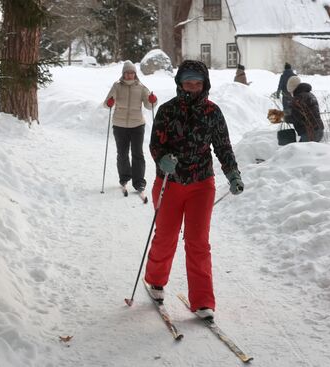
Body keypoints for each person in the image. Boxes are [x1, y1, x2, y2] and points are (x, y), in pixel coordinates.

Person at [144, 60, 244, 320]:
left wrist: (232, 173)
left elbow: (223, 146)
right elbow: (156, 144)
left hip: (201, 184)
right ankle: (155, 280)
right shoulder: (167, 111)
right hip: (169, 182)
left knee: (198, 242)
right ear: (179, 83)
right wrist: (162, 158)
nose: (192, 87)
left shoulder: (213, 112)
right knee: (166, 236)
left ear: (205, 85)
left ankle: (202, 301)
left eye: (197, 83)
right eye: (188, 82)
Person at [104, 60, 157, 192]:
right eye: (127, 73)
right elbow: (106, 104)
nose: (129, 75)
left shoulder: (141, 87)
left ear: (135, 74)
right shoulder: (116, 86)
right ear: (123, 73)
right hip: (119, 124)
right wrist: (110, 102)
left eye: (132, 73)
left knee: (137, 153)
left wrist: (153, 100)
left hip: (137, 125)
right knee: (122, 153)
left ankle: (139, 182)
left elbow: (149, 106)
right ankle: (124, 177)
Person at [284, 75, 324, 142]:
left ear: (293, 89)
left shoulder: (299, 99)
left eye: (290, 92)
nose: (290, 94)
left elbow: (296, 117)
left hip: (309, 132)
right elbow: (302, 112)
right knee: (303, 150)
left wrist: (285, 117)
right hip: (317, 129)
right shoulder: (309, 95)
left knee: (302, 151)